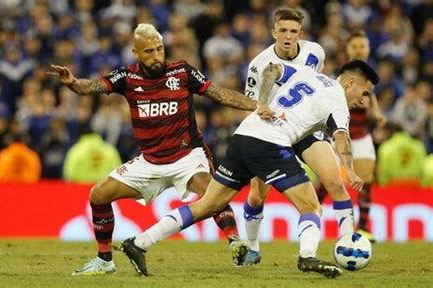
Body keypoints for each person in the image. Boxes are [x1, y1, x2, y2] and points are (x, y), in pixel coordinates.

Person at [120, 60, 377, 279]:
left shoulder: (308, 74)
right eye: (365, 93)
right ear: (351, 82)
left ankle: (139, 243)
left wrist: (262, 102)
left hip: (243, 136)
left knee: (208, 205)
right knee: (311, 206)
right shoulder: (339, 101)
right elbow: (342, 138)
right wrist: (350, 169)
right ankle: (307, 257)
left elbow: (270, 70)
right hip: (271, 144)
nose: (364, 101)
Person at [48, 23, 256, 276]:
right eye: (149, 51)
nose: (157, 55)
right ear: (136, 53)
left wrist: (255, 106)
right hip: (150, 161)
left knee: (211, 190)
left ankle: (236, 241)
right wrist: (72, 83)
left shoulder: (181, 71)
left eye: (159, 49)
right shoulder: (127, 77)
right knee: (98, 195)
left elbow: (219, 94)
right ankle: (105, 260)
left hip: (187, 156)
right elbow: (93, 87)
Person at [242, 8, 356, 266]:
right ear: (274, 32)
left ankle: (348, 242)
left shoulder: (315, 52)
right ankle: (252, 247)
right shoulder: (258, 65)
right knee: (258, 195)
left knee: (335, 182)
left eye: (293, 31)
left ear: (300, 34)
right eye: (282, 30)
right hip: (271, 132)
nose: (287, 36)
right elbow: (250, 105)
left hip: (305, 131)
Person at [317, 30, 387, 242]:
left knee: (366, 179)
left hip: (360, 134)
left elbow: (371, 100)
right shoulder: (342, 75)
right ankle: (312, 211)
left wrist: (376, 114)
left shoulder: (368, 77)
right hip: (337, 133)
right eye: (355, 46)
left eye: (362, 46)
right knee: (329, 180)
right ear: (347, 49)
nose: (359, 50)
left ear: (368, 48)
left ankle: (363, 227)